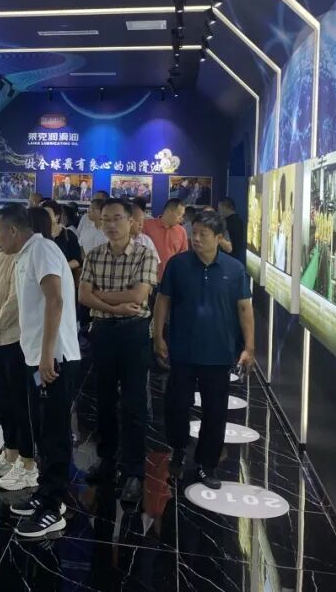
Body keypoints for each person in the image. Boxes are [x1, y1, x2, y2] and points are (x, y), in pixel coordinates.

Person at [0, 204, 81, 538]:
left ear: (14, 230)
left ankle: (53, 507)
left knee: (54, 432)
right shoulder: (24, 255)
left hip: (54, 359)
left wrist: (47, 355)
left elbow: (55, 300)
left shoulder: (41, 250)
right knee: (42, 428)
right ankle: (46, 493)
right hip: (38, 358)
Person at [153, 209, 256, 489]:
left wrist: (249, 347)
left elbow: (244, 308)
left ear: (219, 238)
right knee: (176, 405)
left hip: (219, 352)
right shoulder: (178, 264)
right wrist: (158, 335)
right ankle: (177, 449)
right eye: (194, 233)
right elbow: (163, 300)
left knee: (215, 410)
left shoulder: (234, 269)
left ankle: (206, 464)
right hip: (182, 350)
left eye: (203, 234)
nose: (196, 238)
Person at [78, 199, 159, 503]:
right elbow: (83, 296)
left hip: (134, 333)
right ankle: (107, 460)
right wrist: (114, 304)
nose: (111, 225)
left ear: (131, 221)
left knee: (134, 403)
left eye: (117, 218)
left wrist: (100, 295)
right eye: (106, 219)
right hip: (103, 333)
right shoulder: (95, 255)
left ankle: (134, 471)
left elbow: (138, 295)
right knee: (104, 400)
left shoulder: (144, 254)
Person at [0, 247, 38, 492]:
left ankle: (28, 462)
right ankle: (10, 452)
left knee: (20, 402)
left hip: (16, 340)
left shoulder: (25, 257)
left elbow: (16, 300)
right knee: (3, 400)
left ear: (12, 231)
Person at [143, 198, 189, 282]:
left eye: (182, 215)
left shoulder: (182, 231)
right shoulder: (147, 225)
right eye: (179, 214)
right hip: (148, 278)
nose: (181, 218)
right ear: (168, 212)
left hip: (172, 280)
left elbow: (183, 258)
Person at [42, 199, 83, 279]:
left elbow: (77, 260)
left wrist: (60, 268)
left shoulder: (68, 235)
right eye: (43, 215)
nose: (44, 218)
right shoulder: (40, 235)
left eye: (47, 214)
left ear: (57, 216)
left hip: (63, 278)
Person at [218, 197, 247, 265]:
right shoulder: (239, 221)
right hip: (236, 257)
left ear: (225, 207)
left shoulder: (227, 223)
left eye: (219, 209)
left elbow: (228, 247)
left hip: (228, 259)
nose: (218, 211)